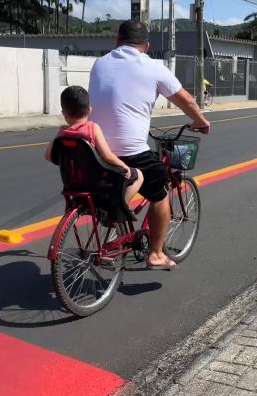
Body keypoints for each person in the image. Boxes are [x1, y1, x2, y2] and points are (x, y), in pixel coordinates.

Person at [89, 20, 210, 270]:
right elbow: (185, 99)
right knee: (160, 192)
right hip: (130, 152)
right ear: (146, 45)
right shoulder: (153, 67)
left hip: (95, 150)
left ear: (117, 41)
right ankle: (155, 253)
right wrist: (201, 121)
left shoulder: (100, 63)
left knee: (117, 184)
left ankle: (112, 220)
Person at [45, 85, 144, 207]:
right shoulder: (92, 128)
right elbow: (107, 156)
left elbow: (49, 156)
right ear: (89, 110)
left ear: (64, 114)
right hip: (97, 182)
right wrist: (123, 165)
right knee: (138, 174)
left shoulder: (62, 133)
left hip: (71, 183)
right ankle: (119, 208)